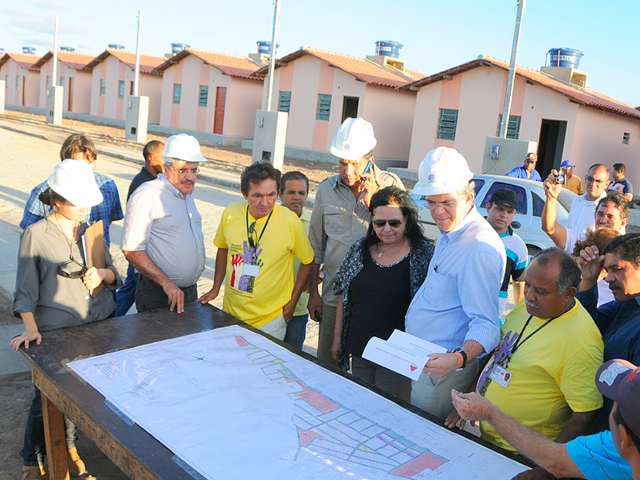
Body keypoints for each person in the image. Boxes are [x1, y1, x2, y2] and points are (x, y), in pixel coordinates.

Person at [447, 248, 603, 477]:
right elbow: (499, 353)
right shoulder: (530, 306)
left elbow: (585, 415)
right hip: (491, 440)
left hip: (525, 457)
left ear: (569, 294)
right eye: (527, 285)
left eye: (540, 290)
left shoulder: (582, 343)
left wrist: (546, 469)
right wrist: (469, 393)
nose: (529, 295)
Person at [11, 159, 121, 479]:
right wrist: (31, 329)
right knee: (45, 396)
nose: (85, 208)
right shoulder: (36, 235)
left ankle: (68, 447)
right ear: (56, 199)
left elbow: (115, 275)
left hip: (95, 325)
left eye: (87, 201)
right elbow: (25, 292)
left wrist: (101, 273)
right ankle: (33, 456)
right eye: (77, 202)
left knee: (79, 391)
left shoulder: (91, 230)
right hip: (57, 331)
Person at [405, 147, 506, 420]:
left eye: (446, 202)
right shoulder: (451, 234)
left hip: (442, 372)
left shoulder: (478, 248)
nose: (437, 212)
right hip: (423, 362)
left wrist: (458, 359)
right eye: (431, 202)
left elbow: (487, 325)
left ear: (468, 197)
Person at [308, 117, 404, 365]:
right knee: (327, 367)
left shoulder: (392, 188)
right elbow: (316, 249)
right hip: (332, 297)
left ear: (369, 160)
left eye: (354, 164)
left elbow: (403, 241)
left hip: (375, 304)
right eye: (342, 163)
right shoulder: (326, 191)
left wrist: (375, 203)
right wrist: (313, 293)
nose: (347, 171)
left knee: (368, 374)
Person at [451, 358, 640, 480]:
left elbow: (553, 459)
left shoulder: (609, 446)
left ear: (623, 437)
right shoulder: (625, 442)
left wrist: (488, 412)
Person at [330, 187, 434, 402]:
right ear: (371, 220)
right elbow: (343, 294)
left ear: (406, 219)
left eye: (394, 223)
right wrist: (337, 340)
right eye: (380, 223)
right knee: (360, 408)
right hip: (361, 349)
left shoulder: (423, 254)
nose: (387, 229)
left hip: (398, 355)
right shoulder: (359, 249)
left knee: (388, 413)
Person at [199, 163, 315, 341]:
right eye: (257, 195)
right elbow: (223, 248)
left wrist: (293, 301)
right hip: (231, 313)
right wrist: (215, 288)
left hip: (271, 319)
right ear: (244, 194)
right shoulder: (231, 213)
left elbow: (308, 260)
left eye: (271, 195)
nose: (265, 202)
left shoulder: (290, 221)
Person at [121, 134, 206, 314]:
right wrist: (166, 282)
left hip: (188, 292)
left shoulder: (187, 193)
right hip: (159, 294)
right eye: (183, 170)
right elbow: (131, 249)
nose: (190, 177)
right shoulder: (147, 195)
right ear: (166, 169)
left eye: (194, 170)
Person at [575, 233, 640, 431]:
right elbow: (582, 329)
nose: (609, 278)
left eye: (617, 269)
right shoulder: (624, 305)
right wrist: (588, 279)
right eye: (607, 270)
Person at [20, 133, 123, 248]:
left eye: (90, 162)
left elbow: (108, 221)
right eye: (80, 163)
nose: (87, 168)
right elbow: (29, 232)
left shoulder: (108, 186)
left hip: (98, 255)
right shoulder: (46, 190)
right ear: (65, 161)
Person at [542, 183, 628, 305]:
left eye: (610, 216)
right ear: (594, 214)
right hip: (578, 310)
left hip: (608, 317)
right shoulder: (581, 238)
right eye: (600, 214)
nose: (603, 220)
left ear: (623, 222)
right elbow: (550, 228)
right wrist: (552, 197)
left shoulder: (628, 251)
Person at [115, 140, 165, 317]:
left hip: (143, 249)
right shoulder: (143, 185)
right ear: (151, 158)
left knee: (130, 287)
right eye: (162, 157)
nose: (165, 161)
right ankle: (110, 319)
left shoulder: (150, 180)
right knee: (131, 288)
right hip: (140, 250)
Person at [278, 171, 312, 349]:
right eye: (291, 192)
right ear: (280, 194)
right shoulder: (271, 220)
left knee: (292, 356)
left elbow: (322, 254)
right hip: (269, 306)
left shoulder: (313, 223)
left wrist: (318, 276)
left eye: (302, 193)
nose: (297, 197)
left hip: (298, 308)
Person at [484, 188, 528, 318]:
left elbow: (519, 283)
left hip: (492, 317)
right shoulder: (470, 232)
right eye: (500, 209)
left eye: (510, 212)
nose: (504, 215)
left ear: (515, 214)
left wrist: (518, 316)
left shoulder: (518, 246)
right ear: (488, 207)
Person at [567, 164, 611, 232]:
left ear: (606, 184)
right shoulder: (577, 201)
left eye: (598, 181)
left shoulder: (610, 208)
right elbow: (569, 229)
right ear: (585, 179)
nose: (593, 184)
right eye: (590, 179)